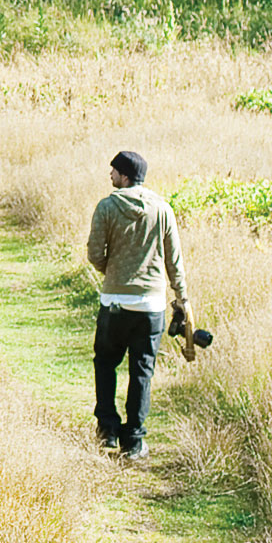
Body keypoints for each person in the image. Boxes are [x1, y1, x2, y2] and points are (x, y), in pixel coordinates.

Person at [86, 147, 188, 462]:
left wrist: (111, 273)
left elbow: (94, 253)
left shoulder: (106, 207)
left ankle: (108, 432)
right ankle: (134, 441)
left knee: (105, 363)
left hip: (115, 301)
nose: (110, 175)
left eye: (114, 170)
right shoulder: (163, 209)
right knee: (142, 371)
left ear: (125, 176)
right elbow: (174, 260)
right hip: (152, 306)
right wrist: (181, 297)